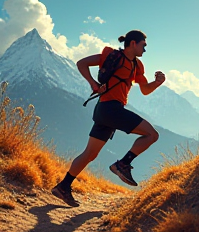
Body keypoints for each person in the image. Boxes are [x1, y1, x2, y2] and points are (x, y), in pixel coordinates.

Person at [51, 30, 165, 207]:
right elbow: (82, 63)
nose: (145, 49)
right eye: (144, 45)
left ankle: (63, 187)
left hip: (104, 111)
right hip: (111, 109)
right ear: (133, 43)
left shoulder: (137, 66)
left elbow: (144, 89)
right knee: (152, 134)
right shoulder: (111, 56)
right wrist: (93, 84)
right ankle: (123, 164)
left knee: (90, 154)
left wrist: (157, 83)